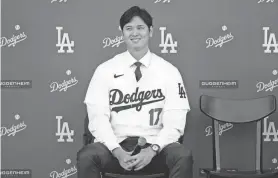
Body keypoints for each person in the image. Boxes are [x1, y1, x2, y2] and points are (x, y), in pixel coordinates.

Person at [77, 6, 193, 178]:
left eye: (140, 28)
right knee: (87, 156)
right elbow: (97, 119)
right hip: (115, 148)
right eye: (129, 28)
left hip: (155, 148)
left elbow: (175, 123)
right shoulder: (105, 70)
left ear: (151, 31)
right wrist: (117, 151)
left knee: (182, 156)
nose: (135, 33)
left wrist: (152, 150)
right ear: (122, 33)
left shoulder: (169, 71)